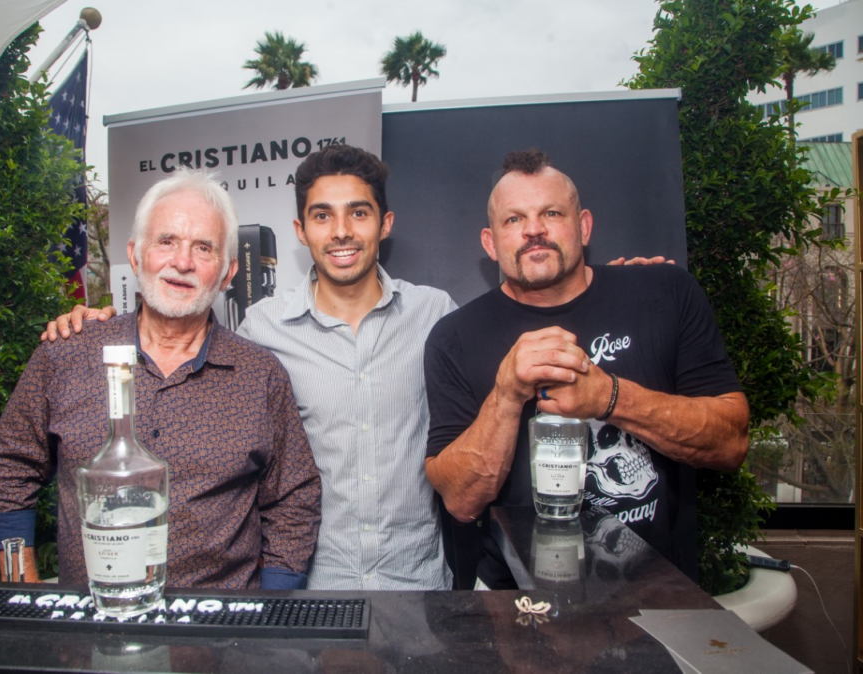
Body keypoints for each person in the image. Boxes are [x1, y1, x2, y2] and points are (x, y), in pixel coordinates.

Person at [45, 145, 456, 590]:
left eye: (358, 213)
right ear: (301, 230)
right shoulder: (262, 331)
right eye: (322, 216)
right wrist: (99, 324)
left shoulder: (435, 316)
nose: (341, 232)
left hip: (418, 584)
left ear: (385, 223)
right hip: (316, 587)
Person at [0, 169, 321, 590]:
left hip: (223, 638)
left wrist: (269, 618)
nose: (182, 262)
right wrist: (25, 591)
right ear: (136, 255)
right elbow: (8, 468)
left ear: (229, 273)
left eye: (203, 248)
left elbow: (293, 498)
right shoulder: (68, 353)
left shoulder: (260, 376)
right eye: (166, 241)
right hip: (93, 629)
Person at [423, 149, 749, 588]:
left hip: (658, 594)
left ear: (584, 226)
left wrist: (610, 398)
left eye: (551, 213)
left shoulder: (664, 294)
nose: (534, 229)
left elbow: (731, 443)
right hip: (515, 606)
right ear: (489, 241)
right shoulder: (454, 338)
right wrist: (506, 395)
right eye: (514, 219)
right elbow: (461, 501)